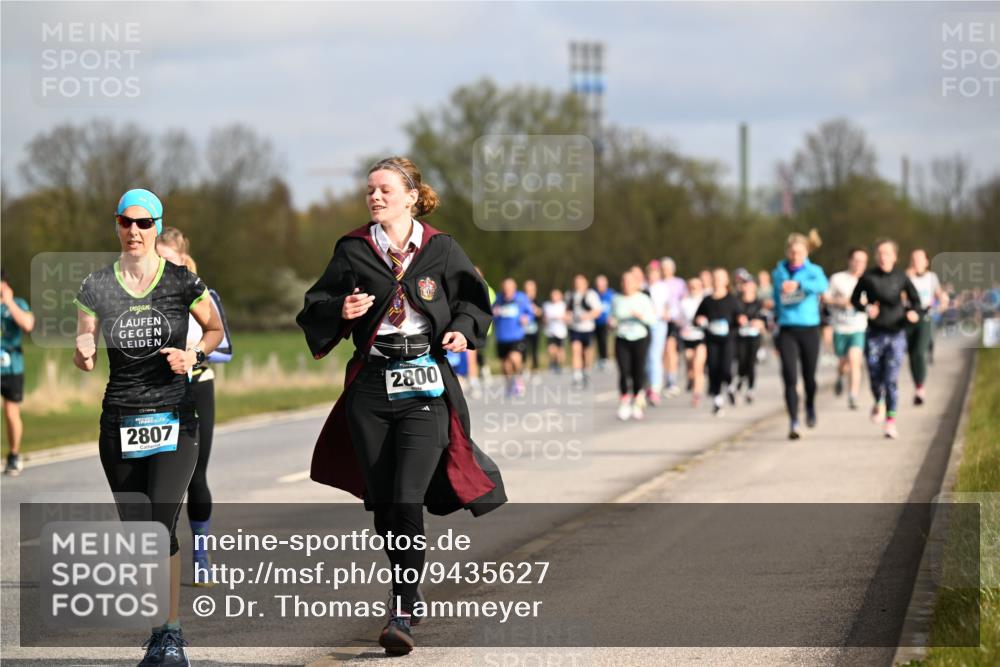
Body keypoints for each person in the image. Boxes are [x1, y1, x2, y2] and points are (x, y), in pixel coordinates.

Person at [296, 157, 506, 656]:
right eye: (370, 190)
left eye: (386, 190)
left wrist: (462, 330)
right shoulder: (353, 249)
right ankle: (405, 588)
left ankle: (404, 605)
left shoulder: (440, 249)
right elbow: (314, 306)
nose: (375, 197)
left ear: (411, 196)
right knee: (387, 500)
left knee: (409, 496)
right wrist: (340, 311)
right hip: (371, 388)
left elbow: (476, 302)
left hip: (425, 387)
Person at [74, 189, 223, 667]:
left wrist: (193, 354)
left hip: (175, 419)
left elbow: (216, 329)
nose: (133, 231)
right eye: (125, 222)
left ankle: (171, 637)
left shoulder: (183, 281)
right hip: (119, 420)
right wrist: (83, 349)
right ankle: (159, 631)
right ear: (116, 225)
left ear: (158, 225)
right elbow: (84, 337)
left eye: (143, 222)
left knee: (160, 527)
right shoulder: (96, 285)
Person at [156, 229, 234, 585]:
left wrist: (193, 355)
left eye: (169, 261)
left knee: (195, 476)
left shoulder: (204, 295)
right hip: (154, 392)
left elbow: (226, 348)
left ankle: (201, 555)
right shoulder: (143, 299)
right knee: (157, 480)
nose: (162, 268)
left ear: (183, 261)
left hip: (197, 388)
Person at [851, 239, 921, 439]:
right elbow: (854, 300)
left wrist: (912, 312)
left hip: (896, 333)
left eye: (887, 253)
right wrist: (866, 308)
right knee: (875, 377)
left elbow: (915, 301)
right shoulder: (868, 277)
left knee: (890, 378)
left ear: (895, 257)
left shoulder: (901, 277)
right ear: (876, 256)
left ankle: (890, 421)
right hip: (874, 334)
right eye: (880, 253)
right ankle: (878, 402)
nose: (883, 257)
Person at [772, 230, 829, 440]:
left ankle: (811, 405)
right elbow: (776, 297)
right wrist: (775, 320)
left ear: (806, 252)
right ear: (787, 252)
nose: (796, 256)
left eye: (800, 252)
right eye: (793, 252)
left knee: (809, 377)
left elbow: (823, 286)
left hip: (809, 329)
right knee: (789, 377)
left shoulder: (814, 271)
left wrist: (800, 285)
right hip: (787, 329)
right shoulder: (779, 271)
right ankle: (794, 421)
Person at [826, 247, 869, 410]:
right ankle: (839, 376)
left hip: (858, 326)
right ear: (849, 260)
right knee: (844, 363)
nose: (859, 264)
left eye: (863, 261)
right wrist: (840, 302)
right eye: (856, 260)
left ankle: (853, 395)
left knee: (855, 360)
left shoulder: (868, 280)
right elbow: (826, 298)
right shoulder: (837, 278)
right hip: (840, 327)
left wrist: (864, 305)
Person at [695, 268, 743, 416]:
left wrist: (741, 320)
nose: (717, 281)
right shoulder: (707, 300)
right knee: (714, 369)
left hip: (728, 340)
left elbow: (740, 317)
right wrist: (699, 320)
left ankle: (730, 387)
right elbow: (697, 318)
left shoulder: (732, 299)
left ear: (726, 281)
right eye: (715, 278)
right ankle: (717, 400)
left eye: (720, 278)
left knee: (726, 368)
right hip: (712, 340)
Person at [1, 270, 35, 476]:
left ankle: (14, 455)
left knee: (10, 412)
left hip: (11, 367)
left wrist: (9, 302)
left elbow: (28, 324)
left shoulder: (17, 304)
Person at [612, 268, 656, 421]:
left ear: (636, 284)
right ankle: (624, 402)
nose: (626, 284)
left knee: (638, 371)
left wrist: (640, 316)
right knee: (624, 371)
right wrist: (611, 322)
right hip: (622, 338)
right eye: (624, 281)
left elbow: (652, 320)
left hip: (640, 338)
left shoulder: (643, 299)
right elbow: (612, 318)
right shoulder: (617, 299)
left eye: (629, 281)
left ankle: (637, 401)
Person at [906, 249, 948, 406]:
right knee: (911, 355)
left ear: (926, 261)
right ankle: (917, 384)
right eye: (913, 260)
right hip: (909, 318)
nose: (916, 263)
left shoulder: (932, 277)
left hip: (925, 317)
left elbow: (939, 294)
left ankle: (920, 388)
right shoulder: (906, 277)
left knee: (920, 352)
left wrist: (943, 301)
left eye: (919, 260)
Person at [492, 278, 532, 397]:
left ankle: (519, 378)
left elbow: (530, 313)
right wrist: (494, 313)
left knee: (515, 358)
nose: (507, 291)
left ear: (514, 288)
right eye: (505, 289)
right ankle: (510, 384)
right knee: (505, 365)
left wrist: (527, 318)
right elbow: (491, 315)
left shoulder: (521, 298)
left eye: (509, 289)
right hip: (502, 337)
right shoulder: (498, 299)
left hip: (517, 336)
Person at [734, 270, 767, 404]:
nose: (747, 287)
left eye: (750, 284)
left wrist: (760, 324)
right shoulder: (737, 302)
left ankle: (750, 389)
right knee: (742, 361)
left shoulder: (760, 303)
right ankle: (741, 380)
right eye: (745, 285)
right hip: (740, 336)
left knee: (751, 362)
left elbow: (766, 323)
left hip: (754, 336)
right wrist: (738, 319)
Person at [567, 274, 602, 389]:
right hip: (574, 328)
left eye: (580, 282)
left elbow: (597, 311)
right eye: (576, 282)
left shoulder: (591, 295)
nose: (578, 285)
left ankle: (586, 372)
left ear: (586, 283)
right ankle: (577, 376)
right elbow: (567, 310)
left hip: (587, 328)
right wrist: (567, 317)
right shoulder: (570, 295)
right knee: (576, 350)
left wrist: (586, 316)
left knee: (586, 353)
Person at [660, 257, 688, 398]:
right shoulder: (658, 283)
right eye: (663, 268)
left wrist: (683, 319)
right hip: (661, 320)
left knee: (671, 349)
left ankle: (672, 379)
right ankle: (667, 376)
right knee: (664, 351)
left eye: (668, 268)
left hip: (674, 319)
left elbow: (684, 301)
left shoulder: (679, 283)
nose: (665, 271)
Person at [678, 276, 707, 407]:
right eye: (691, 285)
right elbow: (679, 318)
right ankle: (690, 379)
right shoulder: (684, 302)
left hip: (702, 337)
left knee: (698, 366)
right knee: (690, 365)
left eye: (696, 285)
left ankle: (697, 394)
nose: (694, 288)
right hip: (687, 337)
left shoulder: (705, 301)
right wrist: (681, 327)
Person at [542, 289, 568, 373]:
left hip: (561, 332)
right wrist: (546, 320)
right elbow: (544, 317)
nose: (554, 297)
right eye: (553, 295)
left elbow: (568, 317)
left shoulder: (563, 305)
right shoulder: (546, 305)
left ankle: (559, 364)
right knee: (551, 349)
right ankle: (553, 362)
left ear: (560, 296)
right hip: (550, 331)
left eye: (556, 295)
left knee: (560, 350)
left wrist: (561, 318)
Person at [594, 274, 615, 372]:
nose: (599, 285)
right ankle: (600, 358)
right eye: (598, 283)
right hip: (596, 321)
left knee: (604, 340)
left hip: (607, 321)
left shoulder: (611, 294)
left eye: (601, 283)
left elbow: (614, 307)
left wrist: (612, 318)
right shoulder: (594, 294)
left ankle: (606, 359)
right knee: (598, 340)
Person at [522, 279, 543, 376]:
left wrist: (533, 308)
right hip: (524, 330)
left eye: (531, 290)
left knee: (534, 350)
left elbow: (541, 313)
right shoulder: (521, 300)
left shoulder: (538, 300)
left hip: (535, 330)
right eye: (527, 290)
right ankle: (524, 369)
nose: (528, 292)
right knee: (523, 350)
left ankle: (535, 369)